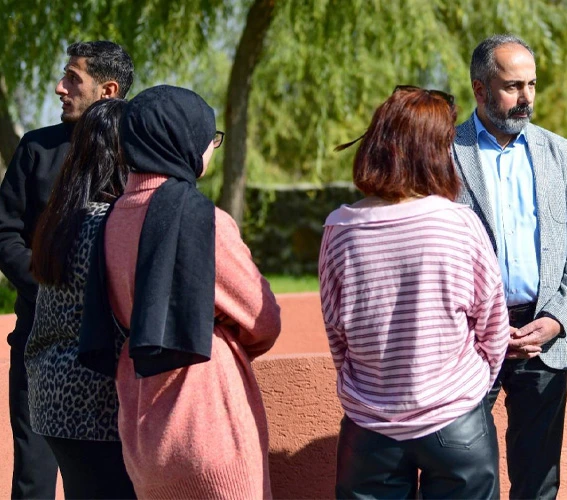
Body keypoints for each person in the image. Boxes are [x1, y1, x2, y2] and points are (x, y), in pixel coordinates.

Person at [78, 85, 282, 498]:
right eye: (210, 138)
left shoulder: (111, 220)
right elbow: (264, 320)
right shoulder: (202, 219)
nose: (212, 147)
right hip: (211, 427)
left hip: (144, 437)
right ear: (181, 139)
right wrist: (217, 322)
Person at [321, 86, 509, 499]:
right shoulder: (459, 223)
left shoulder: (339, 229)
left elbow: (337, 332)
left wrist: (371, 387)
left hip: (369, 429)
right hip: (456, 421)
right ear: (434, 152)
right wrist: (470, 386)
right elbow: (494, 326)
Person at [452, 34, 567, 499]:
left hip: (541, 337)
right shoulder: (445, 152)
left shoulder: (560, 153)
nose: (526, 97)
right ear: (480, 88)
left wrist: (558, 318)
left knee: (538, 484)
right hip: (469, 342)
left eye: (531, 84)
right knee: (465, 480)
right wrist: (480, 324)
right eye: (512, 86)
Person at [0, 40, 133, 499]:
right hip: (39, 343)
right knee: (33, 479)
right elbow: (4, 231)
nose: (60, 87)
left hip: (119, 353)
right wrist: (49, 287)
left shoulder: (137, 150)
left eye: (73, 79)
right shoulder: (36, 148)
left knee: (115, 480)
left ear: (107, 90)